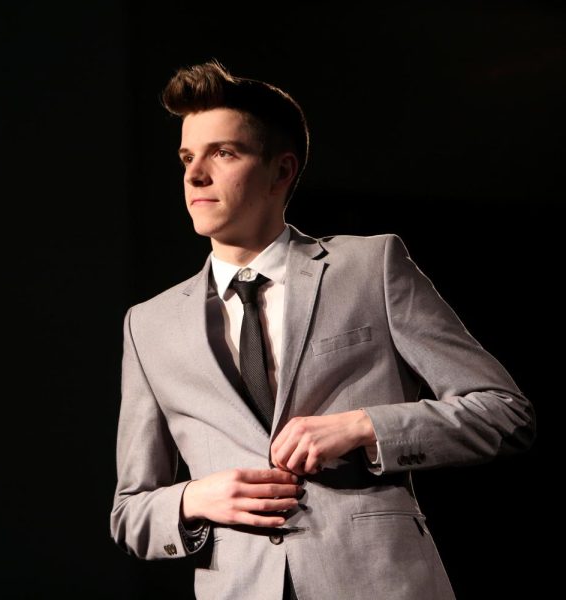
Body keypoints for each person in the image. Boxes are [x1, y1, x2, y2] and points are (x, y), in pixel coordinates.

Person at [109, 61, 536, 600]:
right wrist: (194, 499)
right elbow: (130, 512)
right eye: (188, 157)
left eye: (223, 153)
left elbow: (504, 411)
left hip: (379, 582)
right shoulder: (149, 324)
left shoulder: (369, 267)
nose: (195, 175)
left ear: (281, 171)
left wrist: (364, 426)